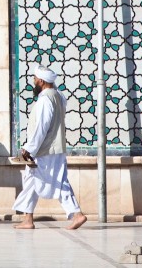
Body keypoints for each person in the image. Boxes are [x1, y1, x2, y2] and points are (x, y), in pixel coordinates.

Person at [12, 67, 87, 230]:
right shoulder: (59, 97)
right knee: (32, 180)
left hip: (45, 149)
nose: (34, 81)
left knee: (57, 181)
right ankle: (28, 219)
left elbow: (41, 127)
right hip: (55, 147)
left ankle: (77, 214)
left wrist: (29, 148)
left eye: (35, 79)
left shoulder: (46, 99)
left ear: (42, 81)